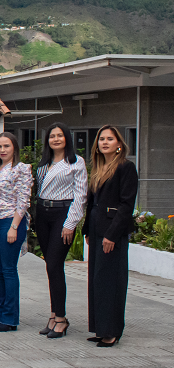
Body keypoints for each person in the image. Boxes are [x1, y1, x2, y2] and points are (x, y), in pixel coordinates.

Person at [83, 125, 138, 347]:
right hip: (96, 230)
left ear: (118, 144)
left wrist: (112, 235)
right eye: (101, 139)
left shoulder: (126, 167)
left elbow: (126, 205)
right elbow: (92, 203)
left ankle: (111, 331)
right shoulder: (98, 168)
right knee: (96, 280)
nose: (104, 142)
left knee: (111, 281)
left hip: (111, 232)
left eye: (109, 139)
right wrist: (87, 230)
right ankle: (100, 328)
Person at [35, 122, 87, 338]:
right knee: (49, 266)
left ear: (67, 138)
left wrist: (70, 223)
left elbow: (80, 195)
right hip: (43, 213)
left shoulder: (76, 162)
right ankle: (54, 313)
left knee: (56, 265)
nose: (56, 139)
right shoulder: (44, 163)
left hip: (62, 214)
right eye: (52, 136)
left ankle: (62, 318)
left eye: (60, 135)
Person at [0, 132, 32, 332]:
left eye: (6, 146)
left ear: (14, 148)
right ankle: (2, 313)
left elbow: (24, 200)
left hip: (11, 222)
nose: (2, 150)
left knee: (8, 270)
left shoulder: (21, 169)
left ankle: (10, 318)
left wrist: (14, 226)